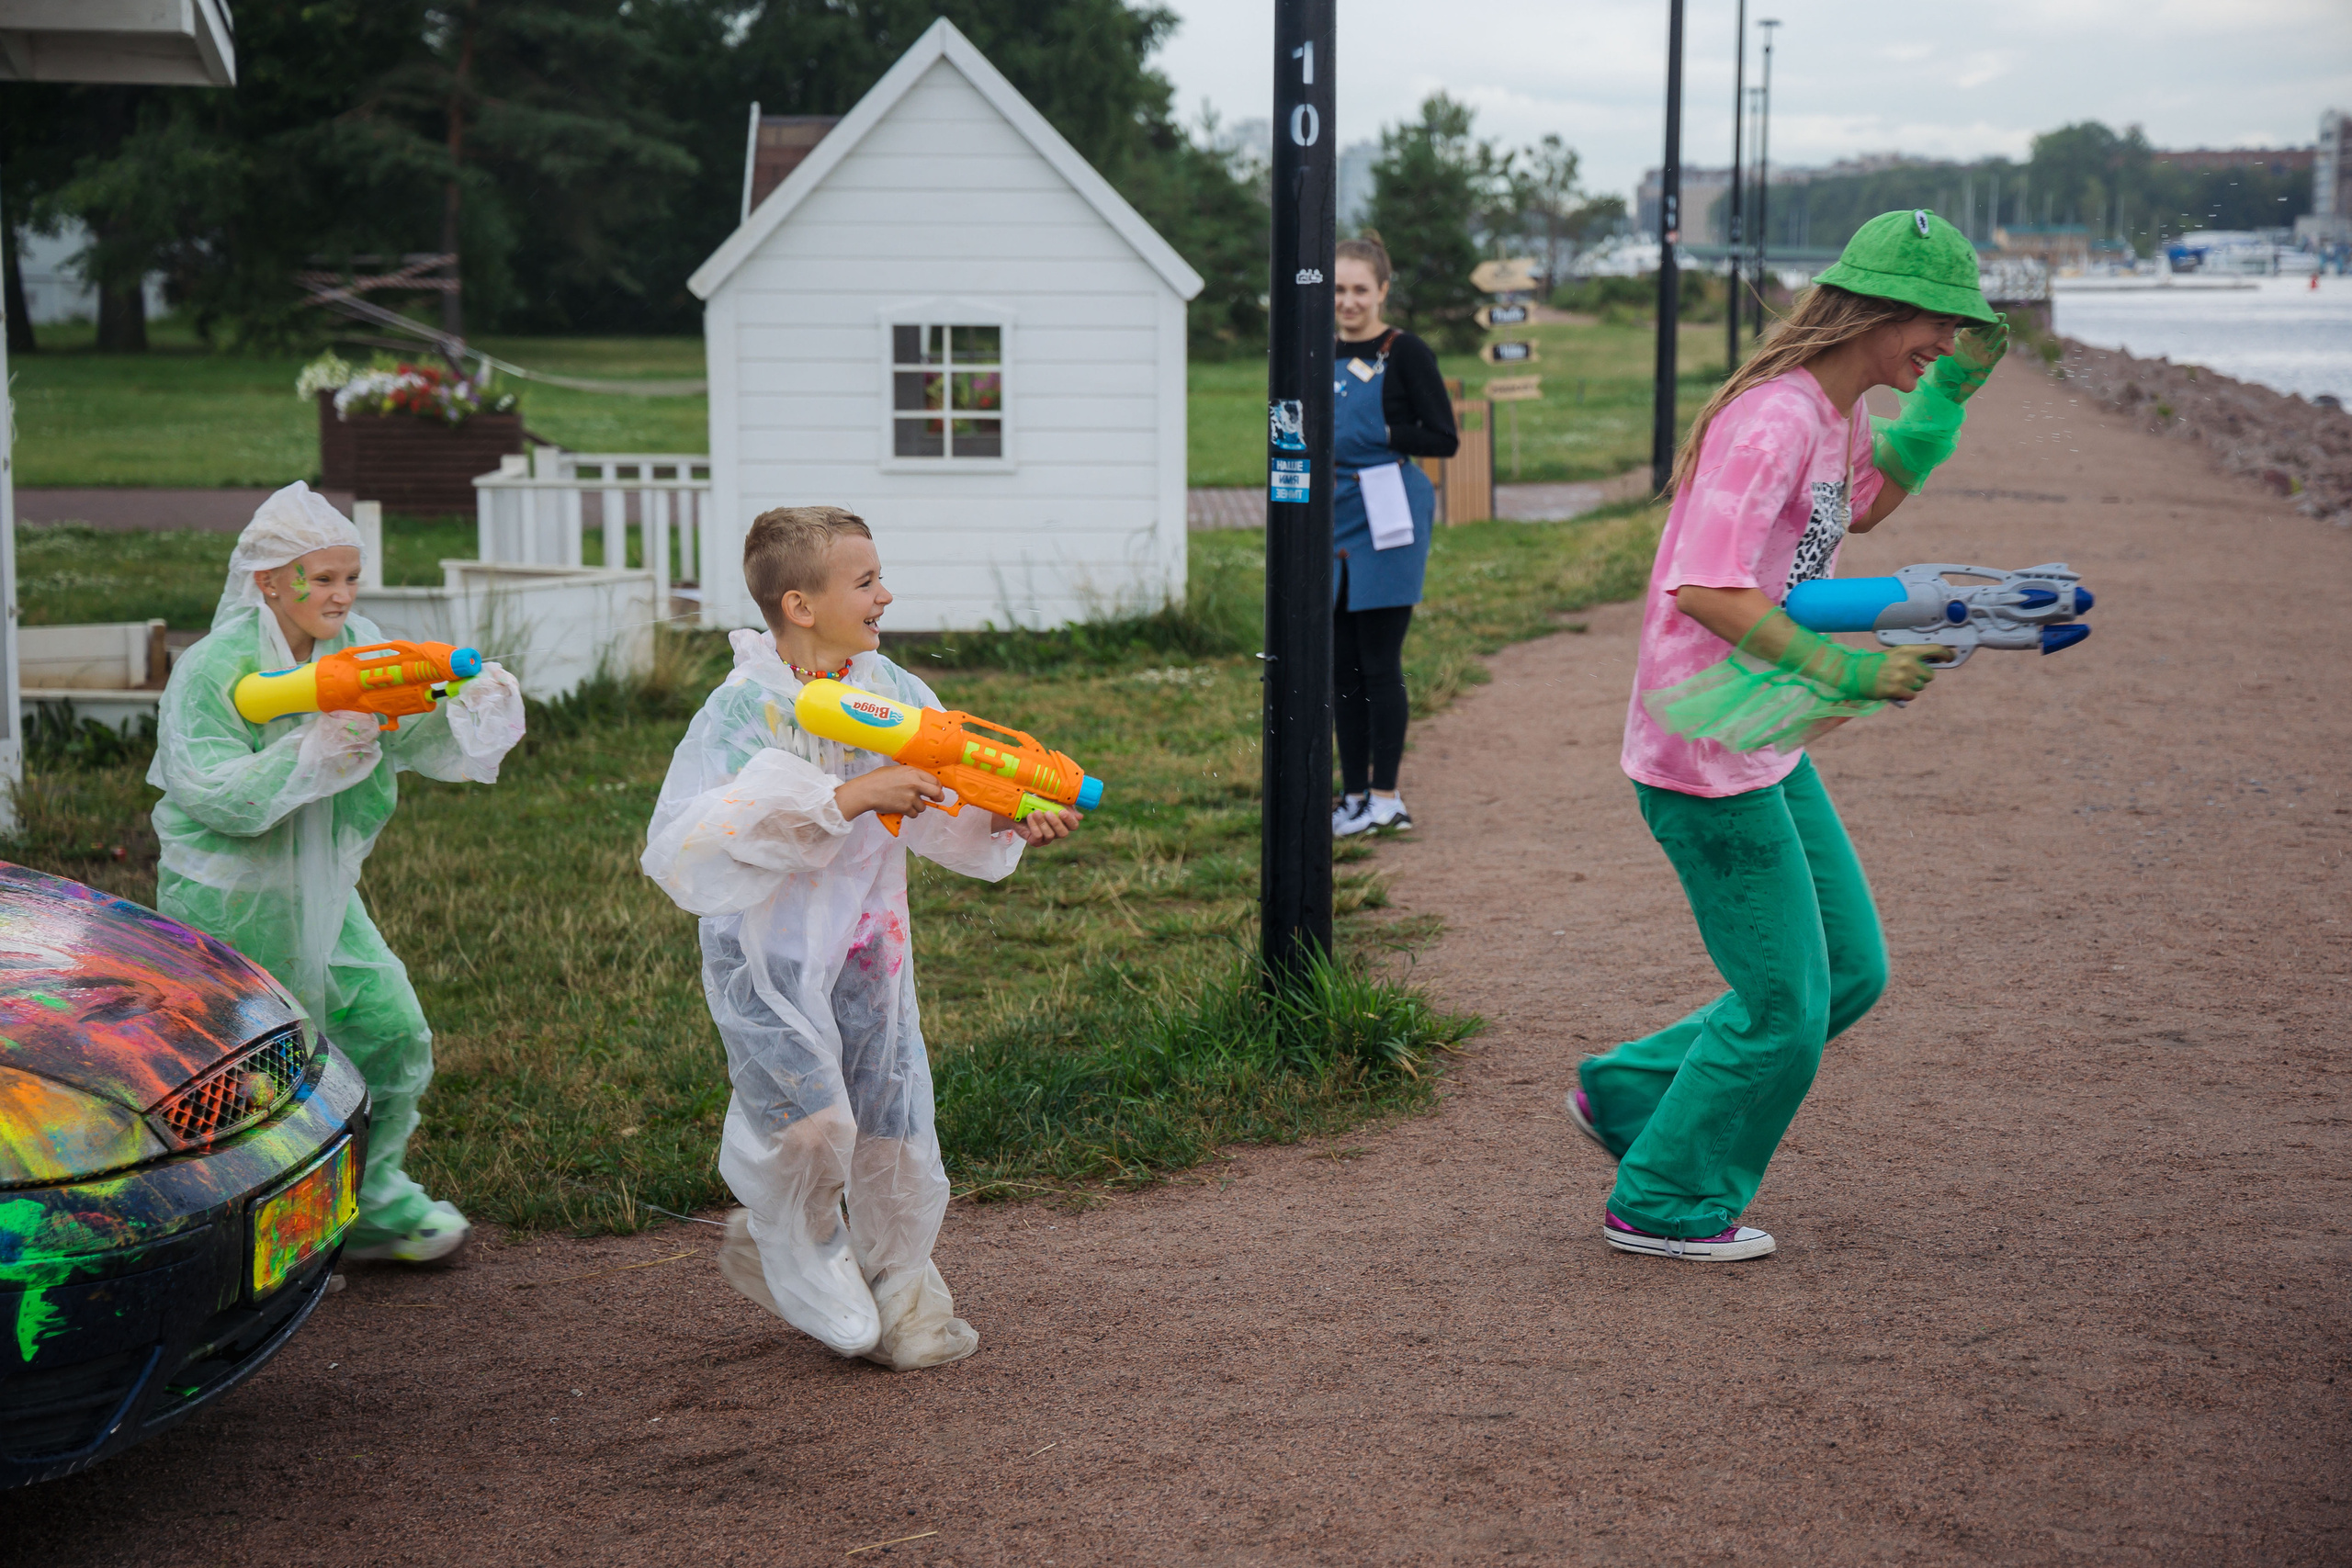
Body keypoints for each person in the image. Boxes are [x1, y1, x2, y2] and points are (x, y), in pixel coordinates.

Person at [1567, 209, 2008, 1260]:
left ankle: (1630, 1096)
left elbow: (1859, 511)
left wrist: (1944, 402)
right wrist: (1847, 670)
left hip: (1758, 732)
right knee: (1785, 1004)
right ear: (1877, 308)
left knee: (1848, 972)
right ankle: (1664, 1200)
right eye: (1937, 328)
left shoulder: (1830, 412)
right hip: (1701, 741)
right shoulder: (1770, 418)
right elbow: (1706, 584)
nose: (1946, 343)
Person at [641, 507, 1080, 1371]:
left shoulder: (894, 692)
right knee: (809, 1128)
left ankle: (903, 1285)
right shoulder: (742, 708)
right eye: (866, 580)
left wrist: (1005, 814)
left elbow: (943, 793)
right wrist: (844, 796)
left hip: (871, 951)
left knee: (894, 1118)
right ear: (800, 604)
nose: (887, 594)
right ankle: (787, 1241)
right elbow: (689, 843)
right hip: (768, 959)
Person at [151, 481, 526, 1263]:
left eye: (350, 577)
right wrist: (308, 752)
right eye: (322, 579)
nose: (341, 594)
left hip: (324, 890)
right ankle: (242, 1226)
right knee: (242, 1074)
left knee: (389, 1031)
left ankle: (369, 1194)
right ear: (269, 581)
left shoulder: (357, 644)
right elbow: (216, 795)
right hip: (230, 900)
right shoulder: (212, 671)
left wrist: (467, 706)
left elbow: (416, 740)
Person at [1329, 232, 1459, 839]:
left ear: (1382, 291)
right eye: (1337, 289)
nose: (1347, 301)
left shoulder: (1405, 353)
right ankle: (1350, 795)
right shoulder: (1311, 350)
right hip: (1330, 516)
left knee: (1379, 660)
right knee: (1340, 666)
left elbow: (1443, 438)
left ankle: (1386, 795)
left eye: (1359, 289)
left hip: (1388, 508)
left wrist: (1384, 430)